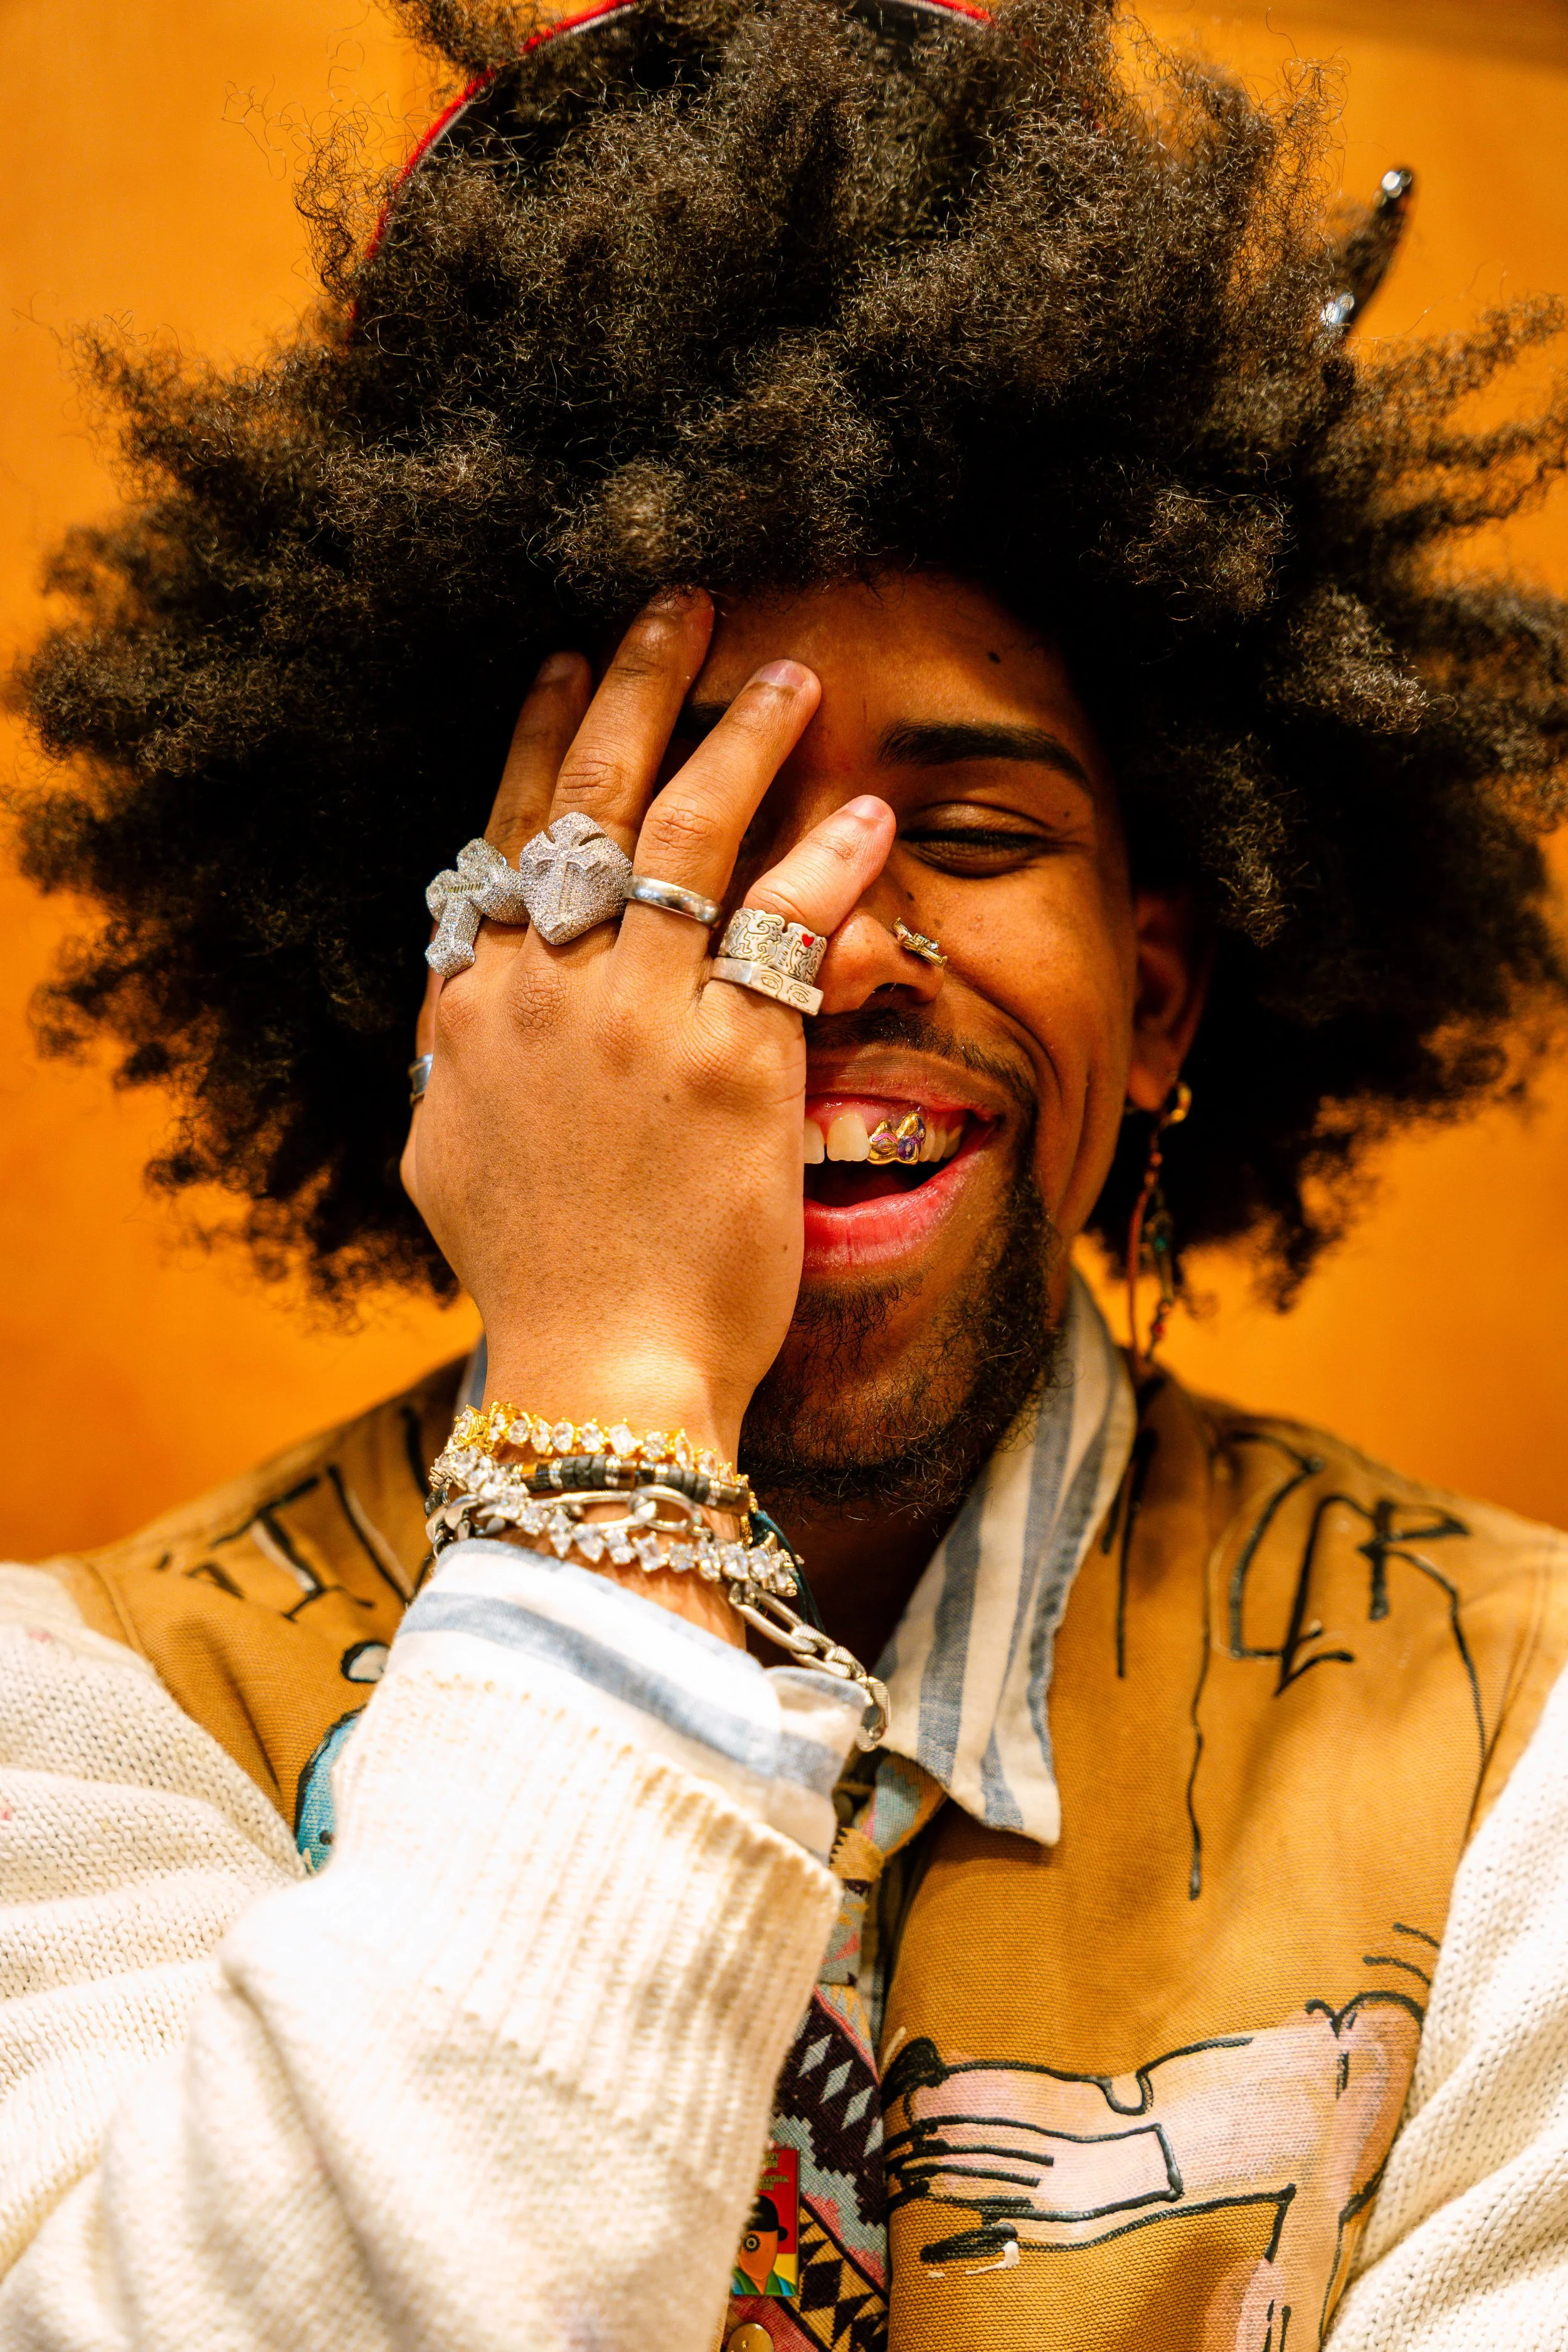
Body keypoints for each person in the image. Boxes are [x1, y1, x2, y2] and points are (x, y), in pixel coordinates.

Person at [6, 0, 1568, 2345]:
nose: (808, 943)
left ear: (1155, 1003)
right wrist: (615, 1408)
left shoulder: (1519, 1743)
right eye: (656, 843)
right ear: (466, 997)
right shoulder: (89, 1710)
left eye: (967, 827)